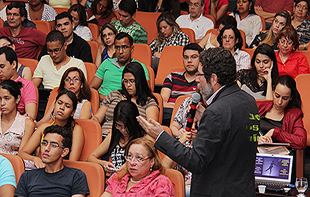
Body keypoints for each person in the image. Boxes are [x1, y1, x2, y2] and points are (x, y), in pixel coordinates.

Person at [137, 47, 259, 196]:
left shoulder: (216, 112)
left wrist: (161, 135)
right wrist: (208, 116)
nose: (196, 79)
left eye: (199, 74)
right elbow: (230, 139)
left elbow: (195, 161)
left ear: (213, 78)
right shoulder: (249, 101)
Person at [15, 125, 90, 196]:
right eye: (44, 143)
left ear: (64, 152)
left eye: (53, 145)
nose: (46, 148)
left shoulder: (76, 176)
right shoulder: (28, 176)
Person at [18, 90, 84, 169]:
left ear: (72, 112)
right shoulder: (44, 127)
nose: (62, 107)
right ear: (54, 105)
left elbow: (72, 162)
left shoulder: (76, 130)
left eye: (67, 106)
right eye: (59, 103)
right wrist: (35, 158)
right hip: (42, 168)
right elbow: (22, 153)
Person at [94, 62, 158, 135]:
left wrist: (117, 132)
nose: (128, 85)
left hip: (130, 138)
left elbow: (151, 128)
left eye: (132, 81)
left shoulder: (148, 101)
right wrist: (93, 122)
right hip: (104, 135)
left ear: (140, 81)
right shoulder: (114, 94)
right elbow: (97, 118)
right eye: (125, 81)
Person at [100, 137, 175, 197]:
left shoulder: (160, 182)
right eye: (129, 156)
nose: (132, 163)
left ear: (152, 161)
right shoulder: (118, 177)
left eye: (139, 158)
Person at [87, 100, 145, 172]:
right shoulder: (114, 135)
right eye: (119, 125)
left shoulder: (143, 138)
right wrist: (103, 163)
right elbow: (90, 158)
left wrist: (127, 167)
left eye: (127, 127)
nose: (123, 130)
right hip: (113, 178)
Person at [89, 33, 149, 101]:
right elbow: (91, 89)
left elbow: (145, 92)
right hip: (102, 103)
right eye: (117, 47)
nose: (120, 51)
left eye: (124, 47)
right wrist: (104, 98)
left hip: (125, 106)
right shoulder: (107, 63)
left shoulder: (139, 67)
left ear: (131, 49)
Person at [257, 75, 306, 150]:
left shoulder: (294, 115)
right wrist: (256, 139)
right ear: (273, 92)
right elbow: (243, 129)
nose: (279, 102)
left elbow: (301, 142)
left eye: (285, 98)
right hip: (256, 153)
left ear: (291, 97)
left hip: (279, 157)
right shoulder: (260, 107)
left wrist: (275, 132)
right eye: (277, 96)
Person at [161, 43, 202, 126]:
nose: (189, 60)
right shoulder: (172, 76)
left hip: (191, 117)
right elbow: (162, 101)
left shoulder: (202, 80)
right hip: (169, 114)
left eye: (194, 57)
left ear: (201, 59)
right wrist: (181, 109)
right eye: (186, 57)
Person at [163, 118, 199, 197]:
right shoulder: (184, 145)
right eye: (190, 123)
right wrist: (180, 142)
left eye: (196, 125)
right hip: (183, 186)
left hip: (199, 186)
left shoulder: (207, 147)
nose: (192, 127)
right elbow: (164, 166)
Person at [0, 47, 37, 119]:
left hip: (19, 127)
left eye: (2, 66)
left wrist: (12, 123)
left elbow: (30, 115)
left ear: (13, 64)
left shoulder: (26, 85)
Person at [0, 80, 35, 155]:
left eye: (7, 98)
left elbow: (21, 155)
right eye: (0, 99)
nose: (2, 103)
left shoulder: (26, 124)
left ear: (17, 99)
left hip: (12, 164)